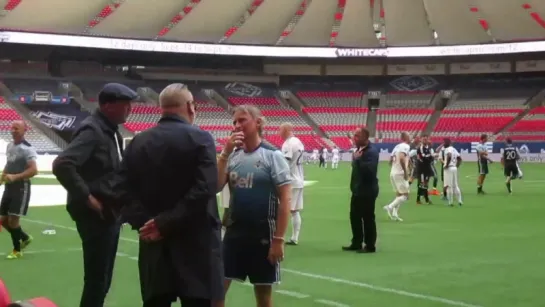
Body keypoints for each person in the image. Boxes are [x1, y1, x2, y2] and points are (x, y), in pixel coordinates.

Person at [108, 84, 224, 307]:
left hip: (154, 244)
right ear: (190, 106)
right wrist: (165, 222)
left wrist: (148, 223)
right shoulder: (201, 139)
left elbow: (120, 190)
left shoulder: (138, 142)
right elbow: (204, 190)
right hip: (196, 245)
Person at [52, 83, 136, 307]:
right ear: (108, 106)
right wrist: (87, 198)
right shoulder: (93, 130)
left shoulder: (109, 131)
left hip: (108, 213)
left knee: (103, 278)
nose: (130, 108)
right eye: (125, 104)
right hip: (96, 215)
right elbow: (63, 164)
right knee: (97, 279)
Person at [217, 105, 291, 307]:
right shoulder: (232, 155)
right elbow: (215, 185)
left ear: (258, 122)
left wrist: (279, 239)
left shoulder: (272, 156)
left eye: (242, 120)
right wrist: (224, 152)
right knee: (216, 291)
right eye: (234, 122)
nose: (237, 125)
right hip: (233, 233)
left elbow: (285, 199)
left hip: (262, 235)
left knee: (263, 295)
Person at [0, 121, 38, 259]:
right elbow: (8, 163)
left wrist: (15, 177)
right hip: (9, 187)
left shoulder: (28, 149)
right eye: (12, 128)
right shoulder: (10, 145)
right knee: (3, 220)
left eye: (17, 128)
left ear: (24, 130)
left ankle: (17, 250)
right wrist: (3, 176)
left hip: (21, 188)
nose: (13, 130)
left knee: (13, 221)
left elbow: (34, 170)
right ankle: (25, 237)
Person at [343, 127, 379, 253]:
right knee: (355, 216)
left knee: (368, 218)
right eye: (354, 135)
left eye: (357, 136)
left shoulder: (371, 152)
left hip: (367, 190)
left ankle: (370, 245)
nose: (354, 138)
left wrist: (357, 161)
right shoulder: (360, 150)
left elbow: (370, 171)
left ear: (365, 137)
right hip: (358, 190)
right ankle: (356, 242)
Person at [279, 123, 305, 246]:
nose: (279, 133)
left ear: (286, 130)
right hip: (299, 179)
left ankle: (279, 236)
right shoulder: (298, 142)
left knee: (282, 209)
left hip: (290, 180)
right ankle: (295, 237)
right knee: (295, 210)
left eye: (280, 130)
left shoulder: (288, 144)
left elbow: (285, 163)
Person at [384, 132, 411, 222]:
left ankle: (395, 214)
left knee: (399, 194)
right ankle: (390, 207)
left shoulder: (397, 146)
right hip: (400, 173)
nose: (410, 137)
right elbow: (402, 158)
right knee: (405, 195)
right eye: (409, 136)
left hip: (393, 172)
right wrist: (405, 171)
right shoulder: (405, 146)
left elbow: (390, 160)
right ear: (406, 137)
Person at [443, 138, 463, 206]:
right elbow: (460, 158)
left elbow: (449, 155)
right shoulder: (454, 149)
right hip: (454, 167)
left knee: (449, 186)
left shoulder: (447, 149)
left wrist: (447, 165)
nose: (443, 144)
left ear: (448, 143)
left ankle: (450, 202)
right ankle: (460, 200)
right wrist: (456, 166)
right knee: (455, 185)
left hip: (449, 168)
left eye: (444, 142)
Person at [415, 134, 434, 205]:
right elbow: (424, 157)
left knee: (426, 184)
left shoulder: (428, 147)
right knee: (422, 184)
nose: (424, 140)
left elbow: (430, 158)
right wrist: (431, 156)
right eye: (423, 139)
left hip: (427, 167)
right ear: (421, 140)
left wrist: (431, 157)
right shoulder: (420, 148)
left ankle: (426, 199)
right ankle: (418, 199)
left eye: (426, 139)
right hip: (422, 168)